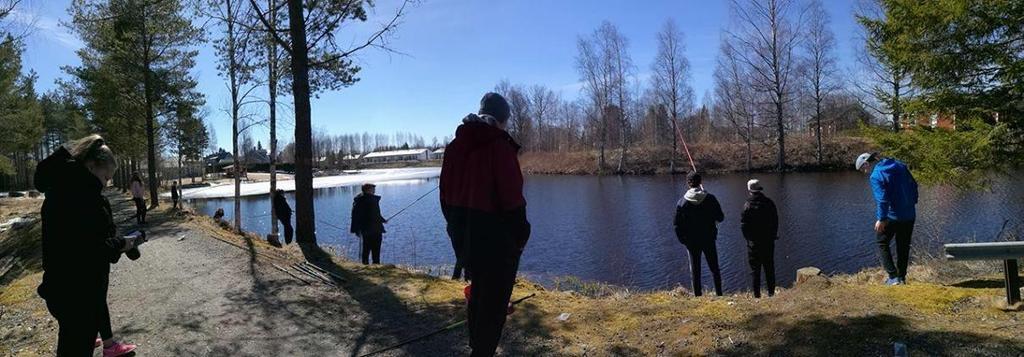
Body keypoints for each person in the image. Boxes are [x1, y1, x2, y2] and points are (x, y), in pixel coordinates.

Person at [440, 92, 531, 357]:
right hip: (496, 242)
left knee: (478, 293)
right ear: (503, 120)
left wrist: (456, 230)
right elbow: (513, 201)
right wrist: (521, 236)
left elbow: (444, 197)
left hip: (464, 237)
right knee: (494, 305)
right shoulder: (500, 147)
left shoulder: (454, 146)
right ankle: (482, 351)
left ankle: (476, 347)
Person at [34, 134, 141, 356]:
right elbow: (91, 250)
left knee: (71, 343)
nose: (106, 183)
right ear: (91, 166)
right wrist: (122, 243)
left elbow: (88, 238)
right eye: (106, 177)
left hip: (64, 289)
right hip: (78, 294)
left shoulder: (65, 188)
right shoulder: (81, 195)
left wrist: (125, 245)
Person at [856, 152, 919, 286]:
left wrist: (881, 219)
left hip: (891, 216)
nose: (864, 172)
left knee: (882, 243)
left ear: (867, 163)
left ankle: (893, 277)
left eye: (863, 169)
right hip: (909, 214)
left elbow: (882, 200)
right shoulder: (900, 165)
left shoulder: (876, 176)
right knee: (903, 246)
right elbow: (914, 184)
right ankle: (902, 277)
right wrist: (912, 202)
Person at [674, 172, 725, 297]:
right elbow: (720, 217)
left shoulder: (682, 202)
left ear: (688, 183)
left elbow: (677, 225)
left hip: (691, 241)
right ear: (700, 182)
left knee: (695, 270)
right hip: (709, 238)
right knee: (714, 268)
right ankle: (719, 294)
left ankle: (698, 296)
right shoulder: (710, 198)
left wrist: (683, 240)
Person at [740, 179, 779, 298]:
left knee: (755, 271)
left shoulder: (746, 206)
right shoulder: (769, 203)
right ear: (760, 189)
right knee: (769, 269)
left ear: (749, 190)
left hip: (753, 244)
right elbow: (775, 221)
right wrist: (773, 235)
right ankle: (771, 294)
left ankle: (757, 296)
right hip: (768, 242)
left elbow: (743, 226)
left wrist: (748, 239)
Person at [350, 183, 387, 265]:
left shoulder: (360, 200)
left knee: (368, 248)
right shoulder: (369, 200)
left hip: (369, 228)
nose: (374, 191)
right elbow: (358, 215)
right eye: (373, 189)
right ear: (368, 190)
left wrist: (382, 220)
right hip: (372, 229)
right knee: (373, 248)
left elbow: (375, 214)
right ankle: (374, 264)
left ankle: (368, 264)